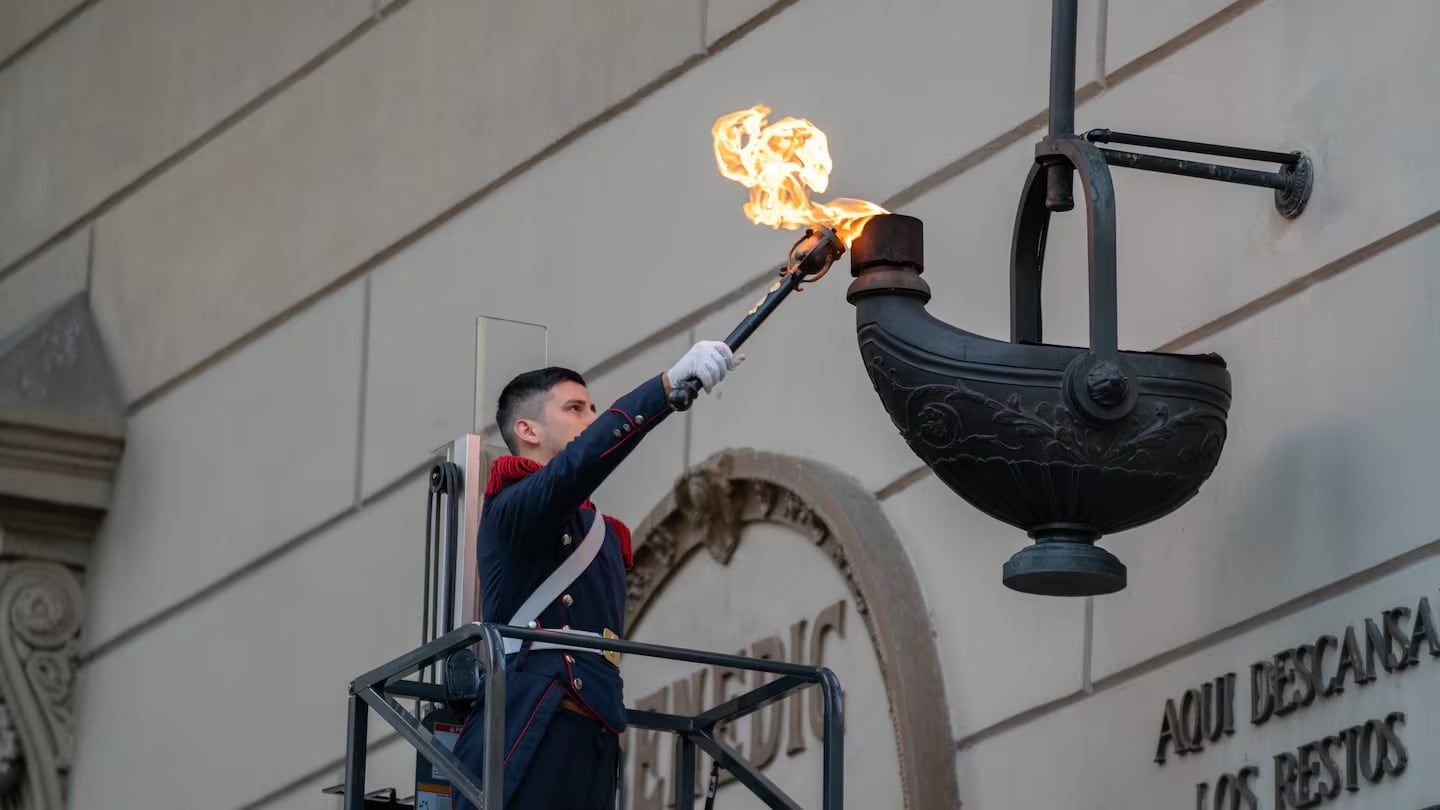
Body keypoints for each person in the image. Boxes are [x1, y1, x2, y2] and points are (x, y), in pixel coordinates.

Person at [452, 340, 744, 809]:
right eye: (574, 408)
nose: (590, 419)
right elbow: (578, 465)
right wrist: (665, 388)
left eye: (592, 409)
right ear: (526, 429)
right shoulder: (512, 505)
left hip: (595, 726)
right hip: (532, 725)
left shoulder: (595, 529)